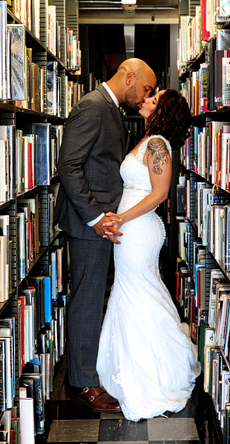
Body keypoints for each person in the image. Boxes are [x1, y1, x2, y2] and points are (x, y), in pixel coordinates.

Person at [54, 58, 157, 413]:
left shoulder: (109, 108)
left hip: (100, 221)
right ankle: (82, 383)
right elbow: (68, 164)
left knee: (93, 295)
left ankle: (86, 373)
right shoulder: (92, 106)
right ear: (129, 77)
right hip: (87, 223)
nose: (146, 96)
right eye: (145, 89)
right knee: (86, 298)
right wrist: (96, 217)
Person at [95, 88, 201, 421]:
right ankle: (140, 363)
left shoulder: (157, 145)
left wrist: (121, 218)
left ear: (163, 111)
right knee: (137, 292)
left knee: (137, 292)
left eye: (153, 99)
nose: (145, 100)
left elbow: (159, 194)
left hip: (138, 230)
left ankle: (152, 371)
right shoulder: (149, 139)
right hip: (132, 229)